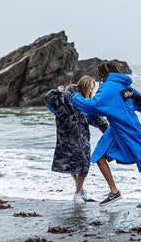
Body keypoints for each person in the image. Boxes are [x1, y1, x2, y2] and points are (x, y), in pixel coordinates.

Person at [70, 61, 141, 208]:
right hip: (117, 128)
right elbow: (140, 101)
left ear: (103, 73)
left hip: (130, 127)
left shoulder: (107, 87)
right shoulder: (124, 86)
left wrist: (75, 98)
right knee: (103, 156)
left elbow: (94, 105)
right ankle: (115, 191)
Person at [45, 76, 108, 204]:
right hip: (68, 137)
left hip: (82, 137)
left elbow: (96, 117)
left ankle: (80, 191)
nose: (91, 91)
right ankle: (77, 193)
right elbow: (50, 100)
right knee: (78, 164)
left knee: (83, 164)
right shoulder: (68, 95)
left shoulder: (86, 100)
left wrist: (110, 131)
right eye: (91, 88)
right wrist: (57, 91)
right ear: (85, 86)